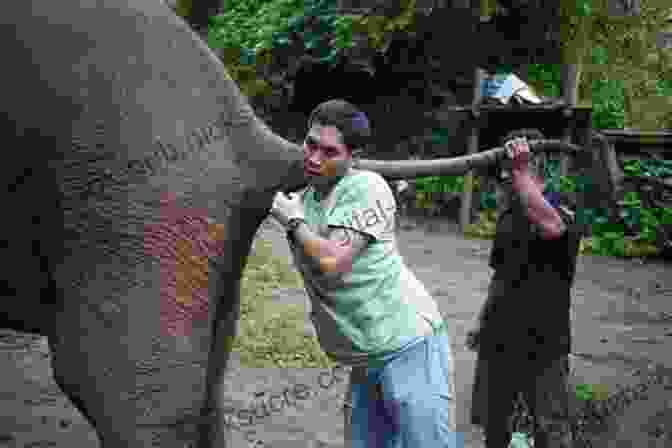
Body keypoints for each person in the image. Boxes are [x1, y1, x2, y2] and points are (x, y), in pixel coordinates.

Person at [269, 99, 457, 448]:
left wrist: (291, 221)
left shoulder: (367, 188)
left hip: (407, 344)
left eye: (330, 152)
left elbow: (333, 262)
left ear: (353, 158)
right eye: (310, 144)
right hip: (367, 355)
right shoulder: (306, 198)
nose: (314, 158)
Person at [467, 129, 582, 448]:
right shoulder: (510, 210)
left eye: (513, 166)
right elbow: (500, 274)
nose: (505, 174)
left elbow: (553, 227)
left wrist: (520, 172)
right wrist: (481, 321)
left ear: (536, 163)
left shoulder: (562, 202)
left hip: (544, 338)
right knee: (494, 421)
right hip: (499, 334)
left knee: (551, 427)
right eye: (506, 167)